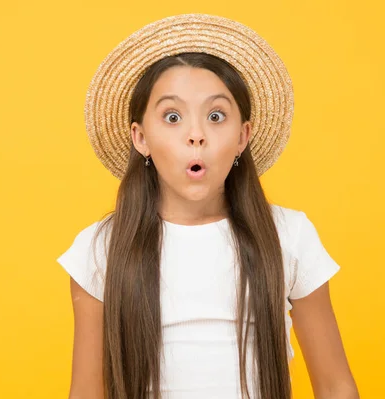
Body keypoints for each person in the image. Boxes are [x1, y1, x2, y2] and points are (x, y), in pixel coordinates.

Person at [57, 13, 358, 399]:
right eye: (172, 117)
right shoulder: (99, 248)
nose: (196, 135)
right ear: (141, 137)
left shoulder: (290, 235)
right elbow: (86, 392)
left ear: (242, 136)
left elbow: (335, 385)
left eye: (216, 116)